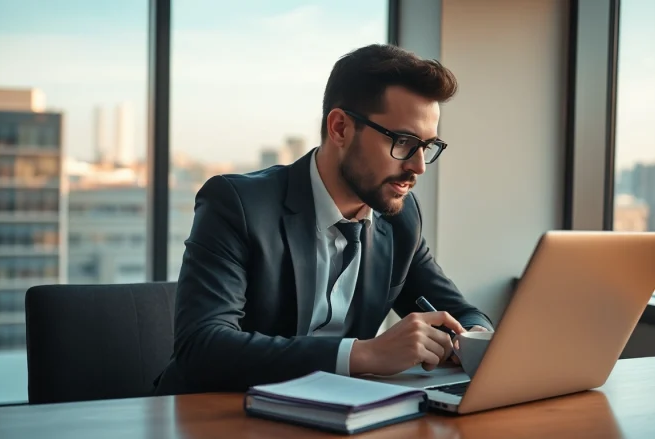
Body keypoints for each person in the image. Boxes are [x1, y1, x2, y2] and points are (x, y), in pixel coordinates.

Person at [154, 44, 493, 395]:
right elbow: (202, 348)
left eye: (427, 146)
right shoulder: (238, 204)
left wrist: (474, 340)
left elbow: (462, 315)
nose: (418, 166)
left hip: (337, 412)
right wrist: (365, 354)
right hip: (214, 412)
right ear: (340, 128)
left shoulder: (400, 218)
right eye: (404, 142)